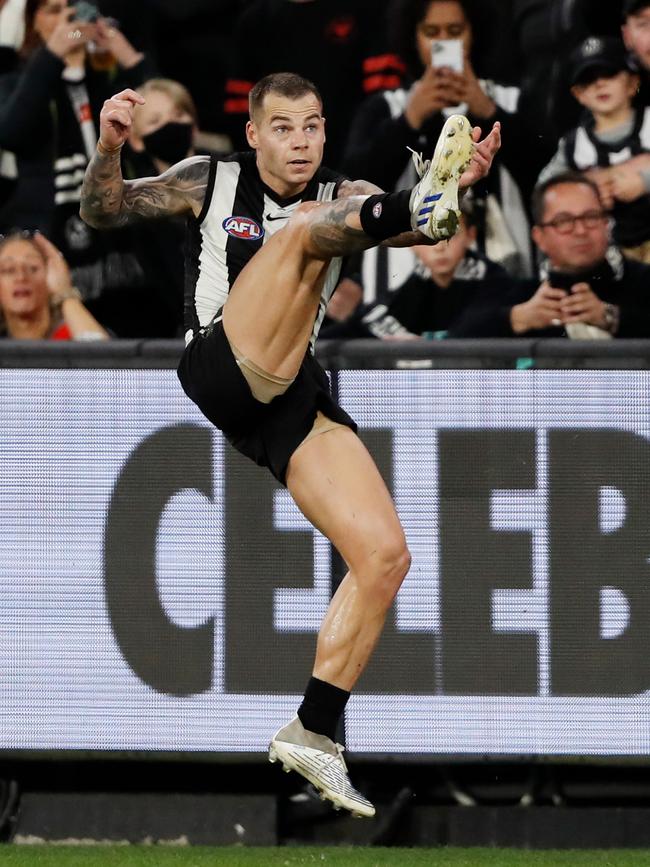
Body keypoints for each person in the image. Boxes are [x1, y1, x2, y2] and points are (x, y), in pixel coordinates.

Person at [80, 72, 500, 818]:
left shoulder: (347, 187)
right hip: (217, 362)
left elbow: (400, 229)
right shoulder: (208, 180)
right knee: (310, 223)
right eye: (283, 127)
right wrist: (110, 144)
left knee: (383, 555)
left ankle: (314, 727)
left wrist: (454, 193)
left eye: (311, 126)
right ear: (253, 134)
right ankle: (418, 194)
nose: (300, 141)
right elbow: (103, 210)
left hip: (284, 389)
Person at [342, 0, 535, 278]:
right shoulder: (385, 107)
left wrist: (487, 110)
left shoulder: (512, 101)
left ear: (474, 33)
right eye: (431, 32)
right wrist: (409, 120)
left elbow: (544, 174)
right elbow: (354, 183)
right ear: (413, 37)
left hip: (501, 273)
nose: (443, 41)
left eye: (455, 30)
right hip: (400, 280)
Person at [458, 172, 650, 339]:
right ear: (539, 237)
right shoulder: (523, 297)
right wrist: (517, 319)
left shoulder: (643, 282)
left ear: (607, 223)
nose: (581, 230)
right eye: (564, 221)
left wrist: (611, 318)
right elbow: (455, 342)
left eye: (591, 217)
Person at [320, 201, 513, 340]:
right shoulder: (419, 282)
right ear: (412, 243)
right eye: (430, 237)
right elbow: (371, 323)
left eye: (450, 234)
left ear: (470, 236)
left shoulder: (493, 280)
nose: (439, 247)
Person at [537, 35, 650, 264]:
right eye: (588, 80)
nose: (599, 84)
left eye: (609, 75)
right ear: (579, 94)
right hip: (610, 253)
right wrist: (590, 188)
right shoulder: (574, 144)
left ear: (632, 83)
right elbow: (544, 190)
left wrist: (644, 181)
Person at [0, 229, 108, 339]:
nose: (21, 277)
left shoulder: (76, 332)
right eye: (8, 270)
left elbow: (101, 353)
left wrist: (64, 293)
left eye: (32, 268)